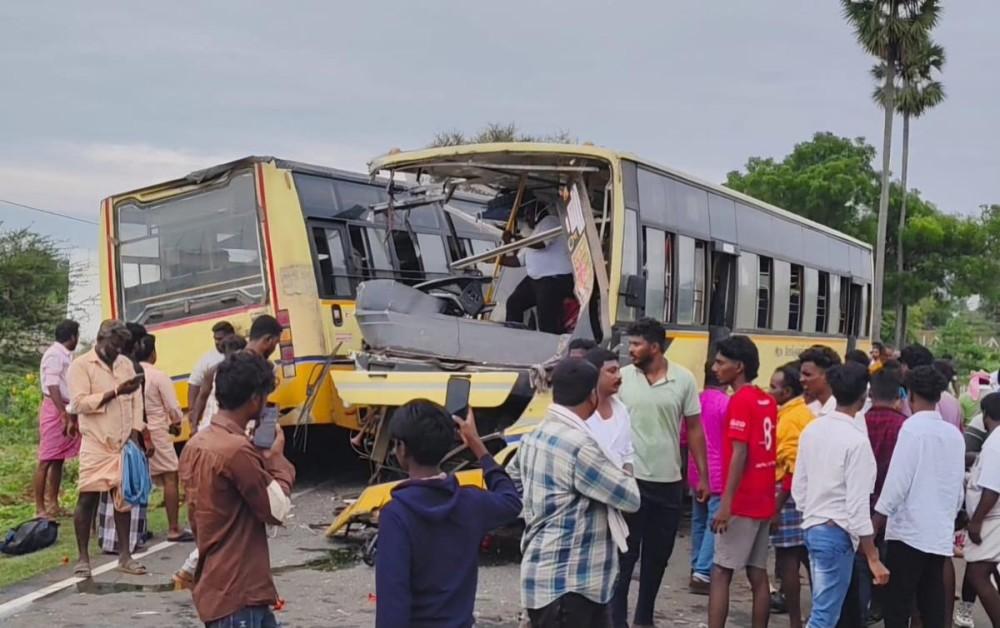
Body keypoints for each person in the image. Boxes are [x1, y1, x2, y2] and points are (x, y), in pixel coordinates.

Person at [509, 358, 640, 628]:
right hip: (570, 582)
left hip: (548, 574)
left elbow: (512, 475)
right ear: (592, 395)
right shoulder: (579, 445)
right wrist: (625, 466)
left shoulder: (537, 434)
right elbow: (629, 497)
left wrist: (540, 508)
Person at [375, 401, 521, 628]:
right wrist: (476, 444)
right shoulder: (471, 502)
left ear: (402, 448)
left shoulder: (396, 515)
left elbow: (393, 600)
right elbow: (511, 500)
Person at [179, 352, 295, 627]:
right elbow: (276, 509)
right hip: (239, 592)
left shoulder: (196, 444)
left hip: (218, 587)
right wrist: (277, 461)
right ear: (255, 398)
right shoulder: (236, 450)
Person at [614, 318, 707, 628]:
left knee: (657, 558)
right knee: (624, 558)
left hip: (668, 482)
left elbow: (694, 429)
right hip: (629, 481)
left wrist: (702, 476)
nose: (630, 350)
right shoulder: (621, 379)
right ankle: (617, 621)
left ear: (654, 347)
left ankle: (644, 618)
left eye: (636, 344)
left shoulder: (684, 380)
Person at [794, 362, 890, 628]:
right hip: (835, 531)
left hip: (814, 526)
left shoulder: (812, 429)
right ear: (864, 398)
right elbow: (858, 508)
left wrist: (814, 513)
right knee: (825, 616)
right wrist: (872, 556)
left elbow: (799, 487)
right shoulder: (857, 441)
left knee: (824, 611)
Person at [871, 365, 964, 628]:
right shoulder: (953, 434)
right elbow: (957, 488)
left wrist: (878, 519)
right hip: (938, 532)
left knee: (898, 603)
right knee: (932, 601)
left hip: (909, 531)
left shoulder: (912, 429)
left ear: (909, 394)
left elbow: (898, 482)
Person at [707, 335, 777, 628]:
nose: (714, 367)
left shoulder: (740, 402)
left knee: (721, 572)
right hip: (764, 499)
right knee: (758, 574)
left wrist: (725, 504)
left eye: (721, 363)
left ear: (739, 367)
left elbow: (740, 455)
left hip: (742, 500)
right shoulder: (768, 400)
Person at [68, 320, 146, 577]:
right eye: (114, 345)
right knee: (88, 498)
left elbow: (135, 399)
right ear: (100, 340)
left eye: (121, 346)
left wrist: (135, 432)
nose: (117, 350)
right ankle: (83, 558)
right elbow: (78, 404)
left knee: (122, 500)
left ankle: (125, 555)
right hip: (96, 443)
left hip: (122, 442)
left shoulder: (125, 364)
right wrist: (115, 392)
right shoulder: (81, 366)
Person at [134, 335, 192, 543]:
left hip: (135, 432)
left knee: (139, 479)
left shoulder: (129, 373)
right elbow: (173, 408)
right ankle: (174, 527)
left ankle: (138, 528)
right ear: (153, 354)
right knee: (170, 477)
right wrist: (176, 423)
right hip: (157, 432)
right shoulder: (158, 376)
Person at [769, 361, 814, 628]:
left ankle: (796, 621)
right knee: (806, 558)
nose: (769, 391)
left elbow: (792, 467)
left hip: (787, 497)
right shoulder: (800, 413)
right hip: (796, 495)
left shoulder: (791, 417)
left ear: (786, 392)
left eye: (773, 387)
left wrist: (776, 506)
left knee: (788, 560)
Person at [189, 316, 281, 435]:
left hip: (212, 431)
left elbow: (202, 395)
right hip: (236, 434)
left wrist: (194, 428)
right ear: (268, 340)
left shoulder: (219, 368)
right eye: (276, 343)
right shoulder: (262, 369)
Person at [501, 204, 575, 334]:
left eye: (528, 214)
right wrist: (497, 259)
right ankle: (513, 337)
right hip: (535, 280)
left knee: (547, 323)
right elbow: (518, 261)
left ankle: (551, 348)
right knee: (514, 303)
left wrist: (515, 239)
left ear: (536, 212)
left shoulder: (551, 221)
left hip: (553, 280)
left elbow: (541, 244)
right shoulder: (533, 233)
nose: (527, 219)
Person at [34, 319, 82, 519]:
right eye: (77, 336)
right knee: (46, 459)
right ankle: (40, 508)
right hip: (56, 408)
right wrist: (62, 413)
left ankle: (53, 503)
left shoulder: (65, 355)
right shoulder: (54, 355)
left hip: (66, 406)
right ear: (72, 337)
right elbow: (52, 385)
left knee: (58, 459)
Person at [687, 363, 729, 594]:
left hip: (696, 471)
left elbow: (685, 437)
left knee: (699, 520)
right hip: (719, 473)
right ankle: (703, 572)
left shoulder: (696, 400)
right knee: (714, 522)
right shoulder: (726, 404)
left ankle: (696, 565)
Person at [964, 391, 1000, 625]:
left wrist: (975, 521)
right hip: (992, 517)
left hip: (991, 518)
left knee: (978, 573)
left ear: (986, 415)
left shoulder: (996, 442)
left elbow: (992, 488)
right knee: (991, 570)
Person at [582, 347, 634, 472]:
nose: (619, 376)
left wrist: (628, 482)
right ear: (593, 374)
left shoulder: (621, 409)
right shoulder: (579, 413)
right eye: (612, 371)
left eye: (618, 371)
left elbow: (627, 453)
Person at [898, 344, 962, 431]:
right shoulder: (952, 401)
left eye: (902, 364)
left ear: (907, 368)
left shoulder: (909, 401)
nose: (900, 368)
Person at [187, 321, 235, 430]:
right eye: (216, 339)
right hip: (214, 419)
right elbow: (195, 385)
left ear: (232, 337)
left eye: (221, 338)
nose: (218, 342)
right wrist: (192, 413)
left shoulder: (244, 356)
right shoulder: (208, 361)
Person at [800, 345, 842, 419]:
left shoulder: (841, 412)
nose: (801, 379)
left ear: (827, 377)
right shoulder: (807, 409)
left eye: (807, 374)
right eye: (801, 374)